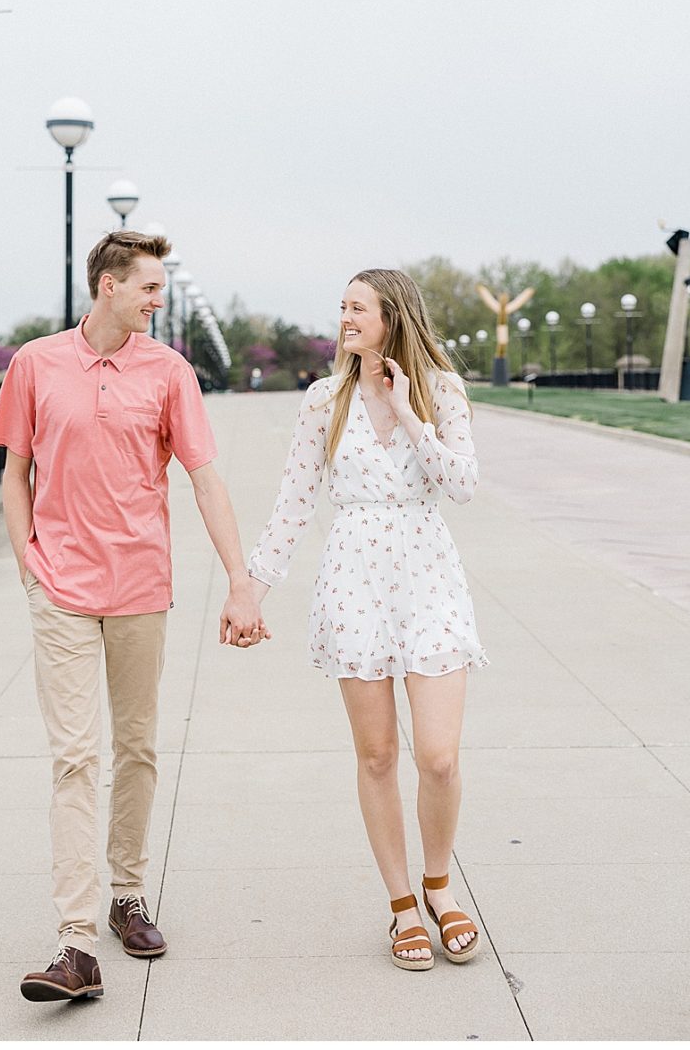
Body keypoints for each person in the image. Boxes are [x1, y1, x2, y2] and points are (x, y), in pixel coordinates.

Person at [0, 230, 268, 1004]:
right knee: (75, 758)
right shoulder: (35, 363)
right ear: (107, 285)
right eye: (148, 286)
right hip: (61, 589)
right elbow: (14, 472)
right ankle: (75, 942)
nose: (158, 299)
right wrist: (29, 566)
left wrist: (240, 582)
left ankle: (127, 895)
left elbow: (205, 481)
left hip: (140, 584)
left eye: (161, 287)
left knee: (136, 748)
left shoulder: (168, 371)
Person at [244, 268, 488, 971]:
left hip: (427, 576)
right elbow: (294, 502)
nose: (345, 318)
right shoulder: (324, 400)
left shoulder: (441, 390)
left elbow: (462, 485)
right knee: (377, 755)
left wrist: (409, 412)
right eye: (342, 307)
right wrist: (251, 590)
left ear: (392, 317)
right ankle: (402, 905)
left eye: (357, 308)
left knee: (438, 758)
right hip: (353, 578)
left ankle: (438, 885)